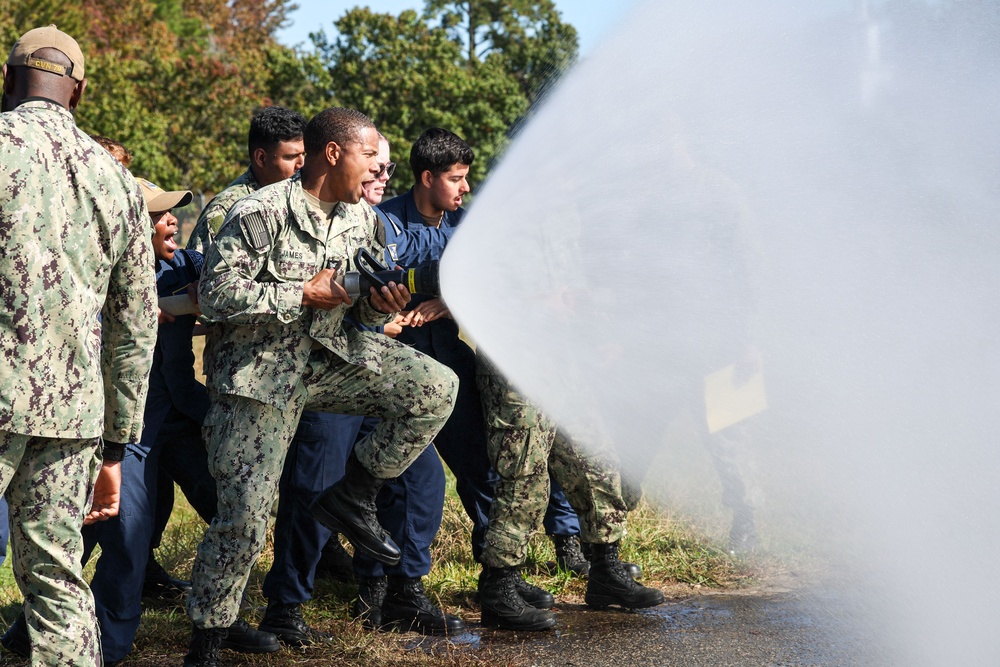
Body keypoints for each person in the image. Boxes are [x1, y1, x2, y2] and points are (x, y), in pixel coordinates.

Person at [185, 107, 457, 667]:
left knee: (435, 387)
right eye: (369, 156)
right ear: (333, 154)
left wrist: (377, 303)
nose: (377, 169)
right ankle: (207, 643)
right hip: (259, 374)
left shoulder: (362, 219)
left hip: (333, 359)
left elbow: (358, 304)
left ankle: (351, 497)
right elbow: (214, 296)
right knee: (246, 513)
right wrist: (301, 292)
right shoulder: (260, 210)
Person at [0, 25, 157, 665]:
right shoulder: (116, 180)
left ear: (7, 79)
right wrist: (117, 445)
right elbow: (136, 324)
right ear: (79, 91)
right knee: (57, 577)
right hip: (73, 413)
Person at [376, 127, 579, 603]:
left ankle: (501, 572)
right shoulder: (383, 223)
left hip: (448, 356)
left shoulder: (466, 227)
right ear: (427, 178)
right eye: (456, 179)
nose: (465, 189)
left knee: (483, 467)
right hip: (396, 365)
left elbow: (496, 285)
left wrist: (447, 302)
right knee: (412, 481)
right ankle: (399, 585)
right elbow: (370, 280)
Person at [476, 357, 666, 631]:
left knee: (596, 461)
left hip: (560, 359)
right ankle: (499, 588)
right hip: (516, 359)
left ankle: (605, 570)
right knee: (525, 478)